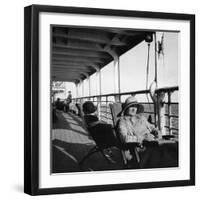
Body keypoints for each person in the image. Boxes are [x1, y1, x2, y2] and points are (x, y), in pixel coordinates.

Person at [116, 96, 161, 165]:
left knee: (172, 146)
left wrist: (156, 131)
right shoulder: (123, 121)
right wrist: (143, 138)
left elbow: (151, 127)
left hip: (153, 141)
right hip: (140, 148)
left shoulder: (141, 118)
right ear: (126, 108)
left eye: (135, 106)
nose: (134, 109)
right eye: (131, 107)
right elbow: (124, 138)